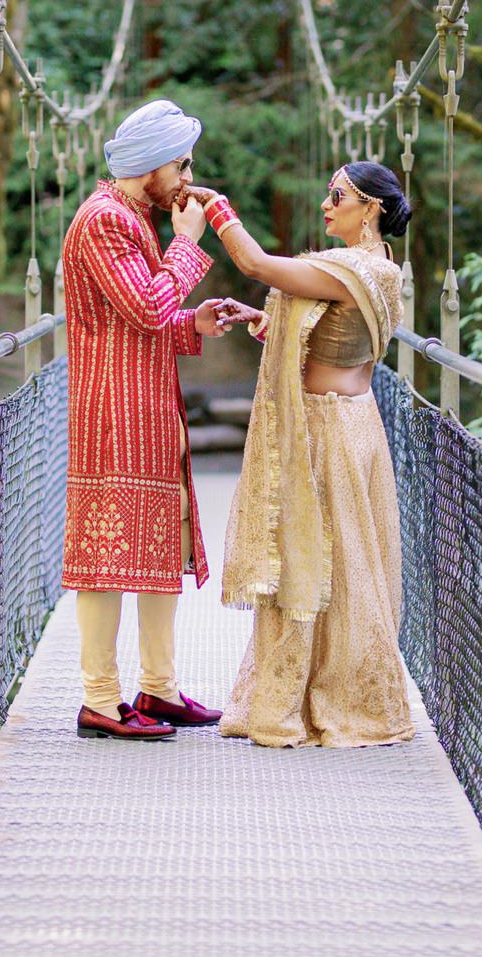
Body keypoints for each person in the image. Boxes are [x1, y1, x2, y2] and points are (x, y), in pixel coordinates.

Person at [193, 162, 415, 748]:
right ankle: (305, 692)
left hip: (333, 431)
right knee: (324, 564)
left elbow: (258, 265)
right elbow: (334, 336)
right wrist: (265, 321)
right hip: (340, 425)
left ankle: (338, 700)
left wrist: (215, 205)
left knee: (323, 565)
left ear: (370, 207)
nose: (326, 203)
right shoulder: (366, 269)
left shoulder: (362, 269)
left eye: (338, 195)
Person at [59, 99, 261, 741]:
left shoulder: (130, 218)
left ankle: (159, 689)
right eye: (180, 163)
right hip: (114, 411)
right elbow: (146, 308)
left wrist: (193, 322)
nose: (187, 175)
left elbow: (144, 318)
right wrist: (187, 245)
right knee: (108, 550)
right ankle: (99, 697)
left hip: (146, 405)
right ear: (149, 166)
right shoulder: (104, 223)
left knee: (156, 544)